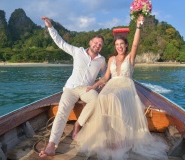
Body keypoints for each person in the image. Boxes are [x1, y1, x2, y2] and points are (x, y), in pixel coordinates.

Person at [75, 14, 168, 160]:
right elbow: (106, 77)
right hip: (112, 84)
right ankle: (107, 134)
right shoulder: (111, 58)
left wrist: (138, 26)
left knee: (112, 97)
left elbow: (136, 44)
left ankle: (120, 137)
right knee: (103, 96)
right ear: (115, 47)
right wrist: (94, 85)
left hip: (125, 85)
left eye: (122, 45)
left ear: (126, 46)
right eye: (117, 45)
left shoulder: (130, 57)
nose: (119, 47)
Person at [39, 16, 106, 157]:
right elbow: (60, 42)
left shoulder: (101, 60)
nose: (97, 46)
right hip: (71, 88)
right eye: (95, 43)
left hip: (87, 88)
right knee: (62, 110)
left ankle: (77, 125)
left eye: (100, 45)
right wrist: (50, 27)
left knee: (96, 100)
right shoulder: (77, 51)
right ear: (90, 42)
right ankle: (52, 144)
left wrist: (101, 83)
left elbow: (105, 75)